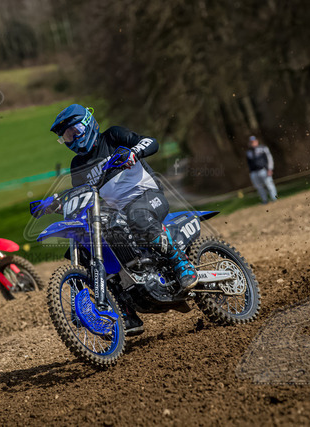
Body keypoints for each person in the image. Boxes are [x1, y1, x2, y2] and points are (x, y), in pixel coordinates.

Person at [48, 104, 199, 335]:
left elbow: (150, 142)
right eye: (67, 136)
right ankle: (125, 312)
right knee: (91, 247)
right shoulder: (77, 165)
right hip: (117, 213)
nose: (72, 139)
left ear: (88, 124)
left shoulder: (112, 136)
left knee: (137, 215)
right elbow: (82, 196)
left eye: (74, 131)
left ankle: (181, 263)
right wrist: (57, 205)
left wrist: (133, 152)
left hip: (147, 195)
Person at [246, 135, 278, 204]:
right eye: (251, 142)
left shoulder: (263, 148)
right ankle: (264, 201)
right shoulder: (248, 152)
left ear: (257, 141)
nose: (252, 143)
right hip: (254, 172)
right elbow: (249, 163)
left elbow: (269, 158)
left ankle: (274, 199)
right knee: (259, 187)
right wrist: (250, 173)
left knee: (269, 185)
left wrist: (270, 169)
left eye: (253, 141)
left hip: (264, 170)